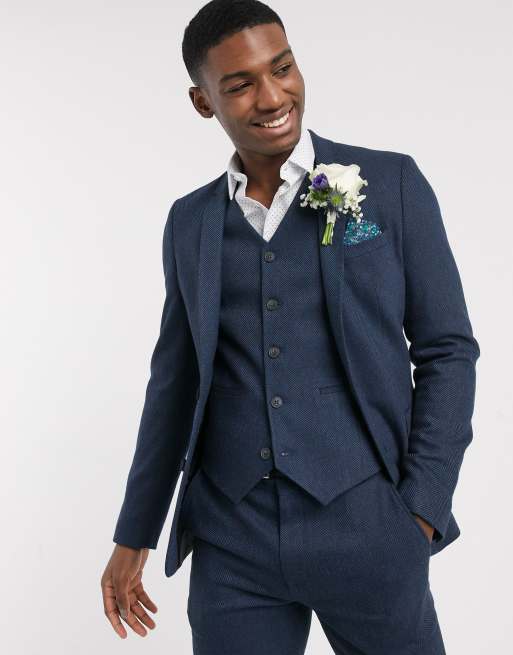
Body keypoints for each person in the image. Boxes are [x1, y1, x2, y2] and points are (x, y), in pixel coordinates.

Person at [100, 1, 480, 652]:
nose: (273, 96)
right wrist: (134, 533)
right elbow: (174, 384)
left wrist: (420, 508)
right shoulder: (190, 222)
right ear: (202, 102)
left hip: (370, 529)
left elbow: (447, 349)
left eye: (282, 68)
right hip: (231, 543)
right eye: (240, 84)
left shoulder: (389, 183)